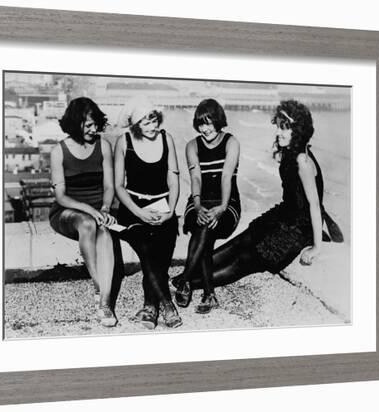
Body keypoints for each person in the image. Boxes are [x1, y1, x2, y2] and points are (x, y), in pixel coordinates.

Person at [172, 99, 342, 292]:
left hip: (298, 229)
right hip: (283, 215)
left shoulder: (303, 160)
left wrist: (316, 247)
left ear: (298, 131)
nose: (278, 132)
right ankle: (185, 275)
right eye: (278, 127)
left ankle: (188, 283)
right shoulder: (289, 153)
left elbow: (314, 205)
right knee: (241, 241)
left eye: (284, 128)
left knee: (245, 260)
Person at [114, 96, 182, 329]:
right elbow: (118, 186)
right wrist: (139, 214)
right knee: (147, 251)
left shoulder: (167, 139)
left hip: (163, 209)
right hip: (133, 211)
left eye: (153, 120)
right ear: (135, 125)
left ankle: (149, 306)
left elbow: (173, 178)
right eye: (145, 123)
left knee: (160, 256)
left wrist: (171, 210)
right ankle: (167, 304)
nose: (152, 126)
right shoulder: (123, 142)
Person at [49, 97, 118, 327]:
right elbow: (61, 196)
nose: (94, 129)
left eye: (96, 123)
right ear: (74, 123)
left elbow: (109, 187)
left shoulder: (103, 146)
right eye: (88, 124)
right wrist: (90, 209)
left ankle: (105, 303)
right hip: (68, 212)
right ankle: (99, 285)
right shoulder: (58, 151)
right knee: (88, 224)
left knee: (105, 232)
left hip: (99, 209)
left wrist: (106, 208)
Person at [175, 99, 241, 314]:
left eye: (209, 123)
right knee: (204, 229)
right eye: (201, 124)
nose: (205, 129)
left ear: (218, 121)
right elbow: (196, 178)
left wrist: (221, 206)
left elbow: (226, 177)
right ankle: (208, 294)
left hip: (227, 201)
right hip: (199, 200)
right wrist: (196, 204)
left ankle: (185, 280)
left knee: (206, 229)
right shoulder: (192, 146)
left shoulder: (231, 142)